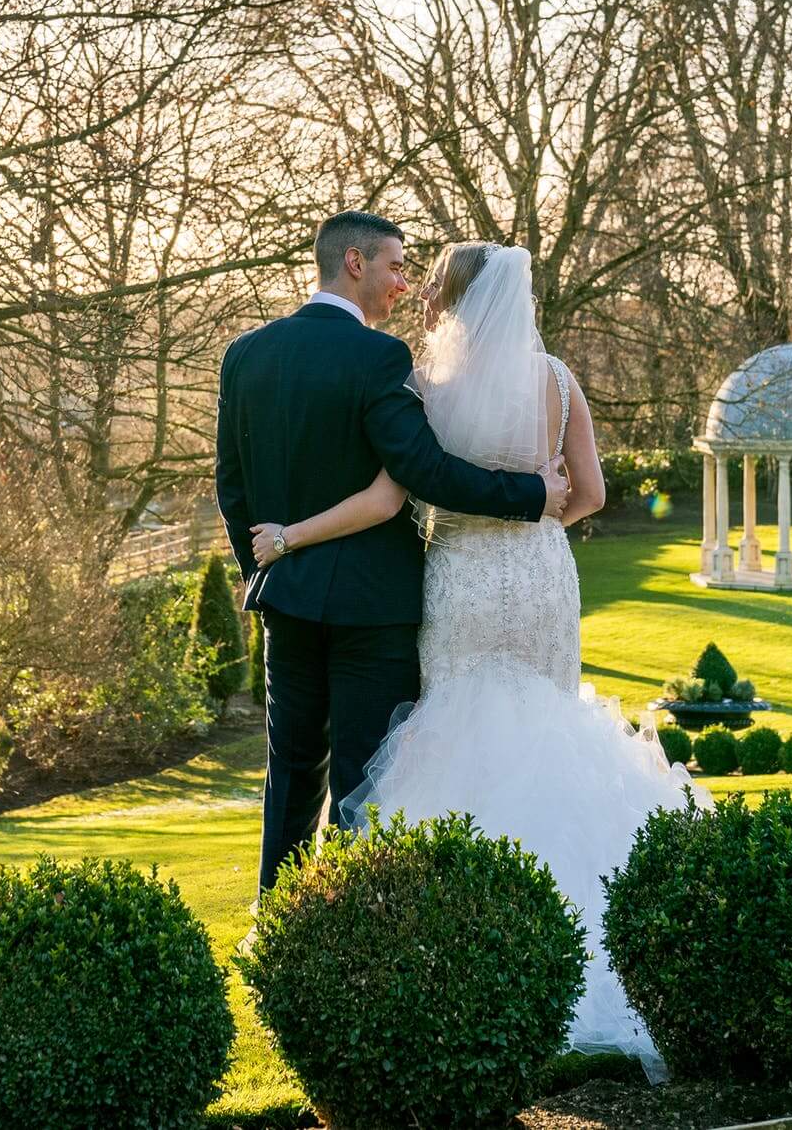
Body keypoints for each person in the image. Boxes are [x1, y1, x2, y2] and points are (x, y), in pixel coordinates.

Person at [245, 238, 700, 1076]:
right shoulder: (557, 381)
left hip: (456, 577)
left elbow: (390, 493)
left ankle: (444, 944)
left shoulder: (426, 386)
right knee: (546, 726)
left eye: (428, 289)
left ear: (449, 303)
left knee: (453, 731)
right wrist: (532, 531)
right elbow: (591, 494)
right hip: (536, 578)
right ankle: (597, 941)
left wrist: (296, 537)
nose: (413, 295)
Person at [213, 213, 568, 899]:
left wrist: (263, 571)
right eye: (397, 267)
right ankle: (351, 938)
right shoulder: (379, 359)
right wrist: (530, 494)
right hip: (372, 610)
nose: (406, 283)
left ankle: (277, 928)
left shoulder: (246, 354)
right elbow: (425, 469)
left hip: (284, 599)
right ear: (355, 262)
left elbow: (232, 487)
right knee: (364, 778)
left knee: (289, 773)